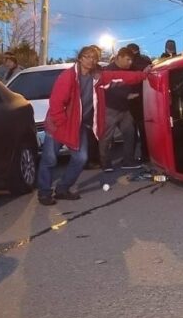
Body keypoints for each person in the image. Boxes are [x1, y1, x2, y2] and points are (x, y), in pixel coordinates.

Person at [37, 45, 147, 206]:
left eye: (94, 57)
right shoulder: (68, 77)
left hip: (77, 124)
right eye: (87, 56)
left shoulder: (98, 77)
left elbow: (120, 76)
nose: (91, 60)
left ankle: (62, 188)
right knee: (49, 159)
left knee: (81, 158)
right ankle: (44, 192)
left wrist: (143, 75)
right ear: (80, 58)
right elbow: (56, 103)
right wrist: (62, 124)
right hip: (57, 124)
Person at [99, 47, 140, 172]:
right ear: (119, 57)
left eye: (131, 60)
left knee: (130, 134)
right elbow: (108, 88)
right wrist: (126, 95)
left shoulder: (129, 70)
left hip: (125, 109)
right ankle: (105, 163)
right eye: (127, 60)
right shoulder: (108, 71)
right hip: (110, 109)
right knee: (106, 138)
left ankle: (128, 160)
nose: (130, 63)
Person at [126, 43, 152, 163]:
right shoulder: (146, 61)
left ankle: (131, 156)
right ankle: (147, 154)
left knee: (132, 130)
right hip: (147, 98)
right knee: (145, 130)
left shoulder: (130, 64)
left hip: (133, 100)